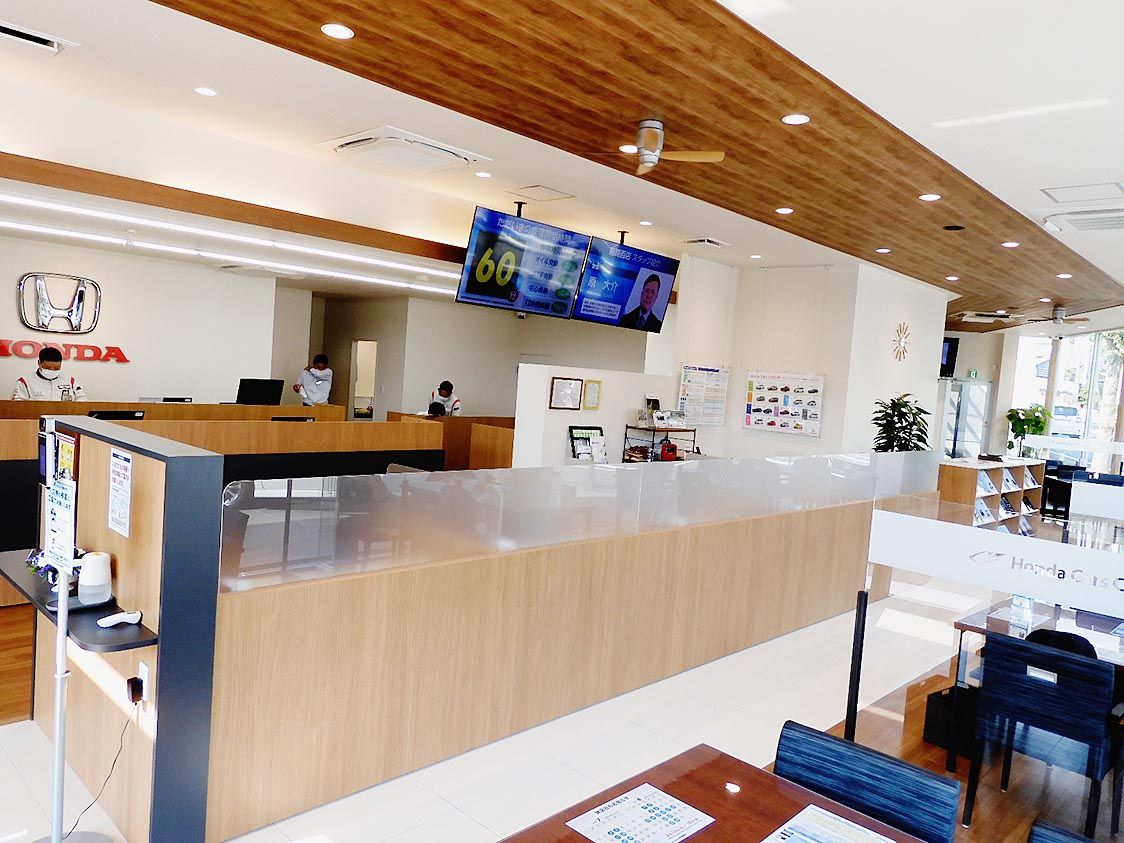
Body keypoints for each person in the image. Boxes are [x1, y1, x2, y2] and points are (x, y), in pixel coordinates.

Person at [12, 346, 86, 401]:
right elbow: (18, 404)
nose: (52, 370)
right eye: (48, 368)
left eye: (56, 368)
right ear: (39, 363)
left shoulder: (69, 380)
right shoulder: (25, 381)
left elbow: (82, 398)